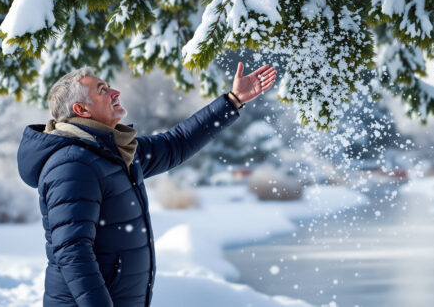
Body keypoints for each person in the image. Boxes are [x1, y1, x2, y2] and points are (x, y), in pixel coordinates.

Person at [17, 62, 277, 306]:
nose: (115, 91)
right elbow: (73, 252)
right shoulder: (73, 165)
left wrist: (232, 101)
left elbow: (177, 144)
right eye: (103, 90)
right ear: (82, 110)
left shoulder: (114, 152)